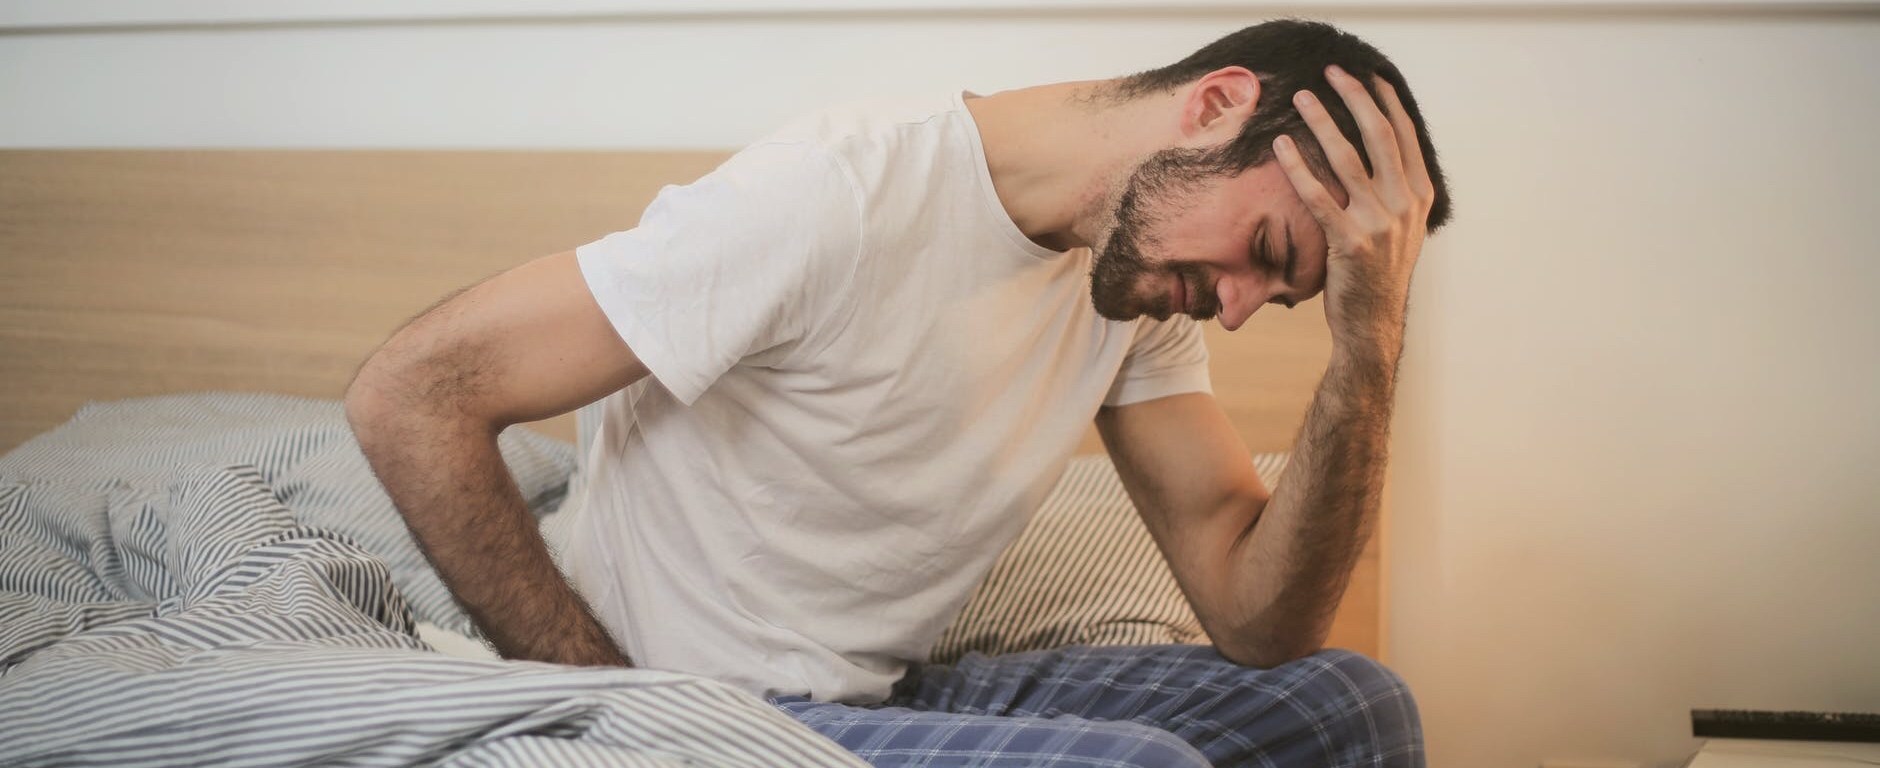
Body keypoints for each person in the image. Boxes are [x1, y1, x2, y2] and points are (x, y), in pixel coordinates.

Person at [346, 18, 1453, 768]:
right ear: (1214, 105)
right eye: (1266, 250)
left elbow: (1258, 620)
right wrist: (620, 705)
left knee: (1347, 705)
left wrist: (1367, 343)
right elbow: (412, 392)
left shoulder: (1133, 289)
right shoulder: (840, 193)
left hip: (872, 698)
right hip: (701, 704)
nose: (1240, 307)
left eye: (1283, 296)